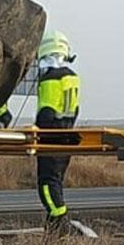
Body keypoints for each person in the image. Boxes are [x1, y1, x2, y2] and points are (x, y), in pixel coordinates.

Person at [33, 31, 87, 234]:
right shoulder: (72, 77)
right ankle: (55, 228)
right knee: (57, 181)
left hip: (50, 138)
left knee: (47, 184)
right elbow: (75, 110)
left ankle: (60, 221)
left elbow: (46, 112)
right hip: (66, 136)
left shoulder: (50, 79)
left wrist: (37, 131)